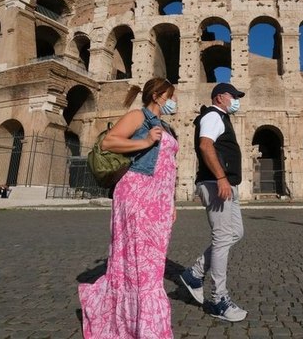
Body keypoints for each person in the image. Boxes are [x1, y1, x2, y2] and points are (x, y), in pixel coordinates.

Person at [78, 77, 179, 339]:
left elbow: (168, 169)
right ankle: (144, 326)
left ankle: (140, 320)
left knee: (153, 263)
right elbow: (108, 143)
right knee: (139, 261)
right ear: (157, 96)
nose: (173, 101)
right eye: (170, 96)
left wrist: (172, 202)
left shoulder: (165, 126)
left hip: (159, 200)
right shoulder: (138, 116)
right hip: (137, 194)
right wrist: (144, 142)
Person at [180, 82, 248, 322]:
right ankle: (219, 300)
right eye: (234, 96)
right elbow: (205, 146)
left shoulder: (221, 118)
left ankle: (194, 273)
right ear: (220, 98)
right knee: (221, 238)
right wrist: (220, 177)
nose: (237, 100)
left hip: (226, 185)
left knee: (235, 233)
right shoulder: (212, 116)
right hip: (215, 184)